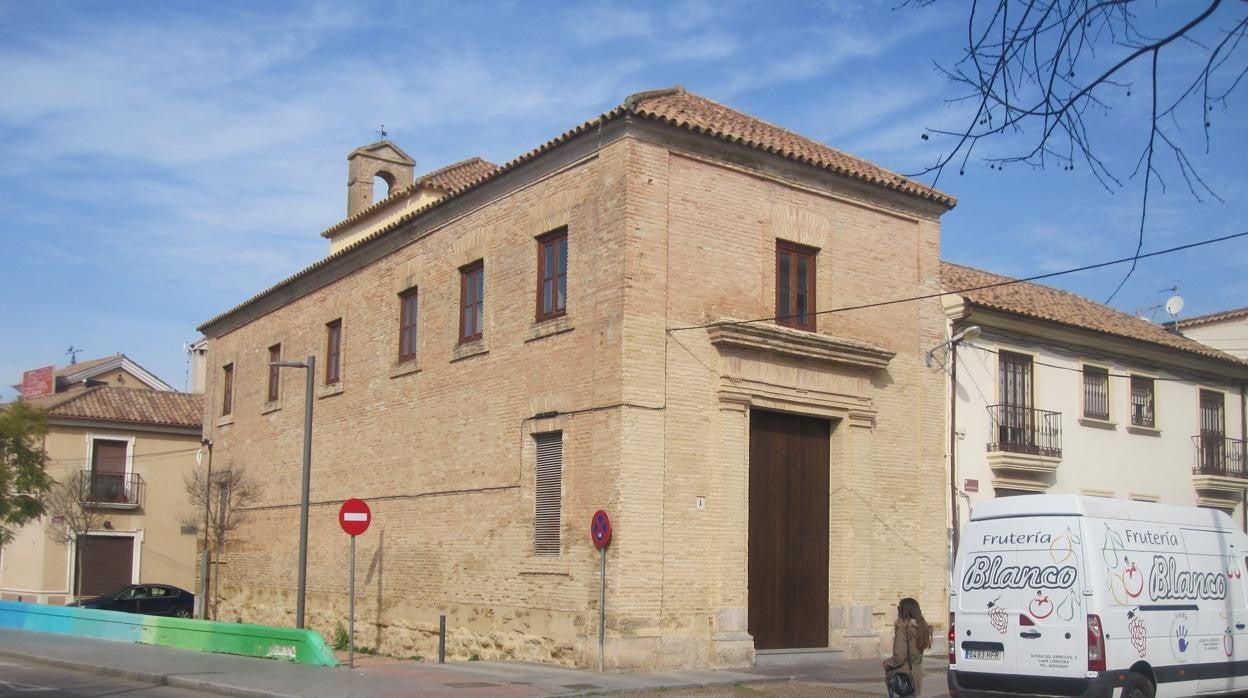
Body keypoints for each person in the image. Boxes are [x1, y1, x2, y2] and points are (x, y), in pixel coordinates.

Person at [883, 597, 931, 697]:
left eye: (899, 608)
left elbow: (899, 657)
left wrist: (887, 664)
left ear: (904, 611)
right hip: (916, 674)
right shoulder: (921, 627)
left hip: (902, 674)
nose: (898, 610)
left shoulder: (903, 628)